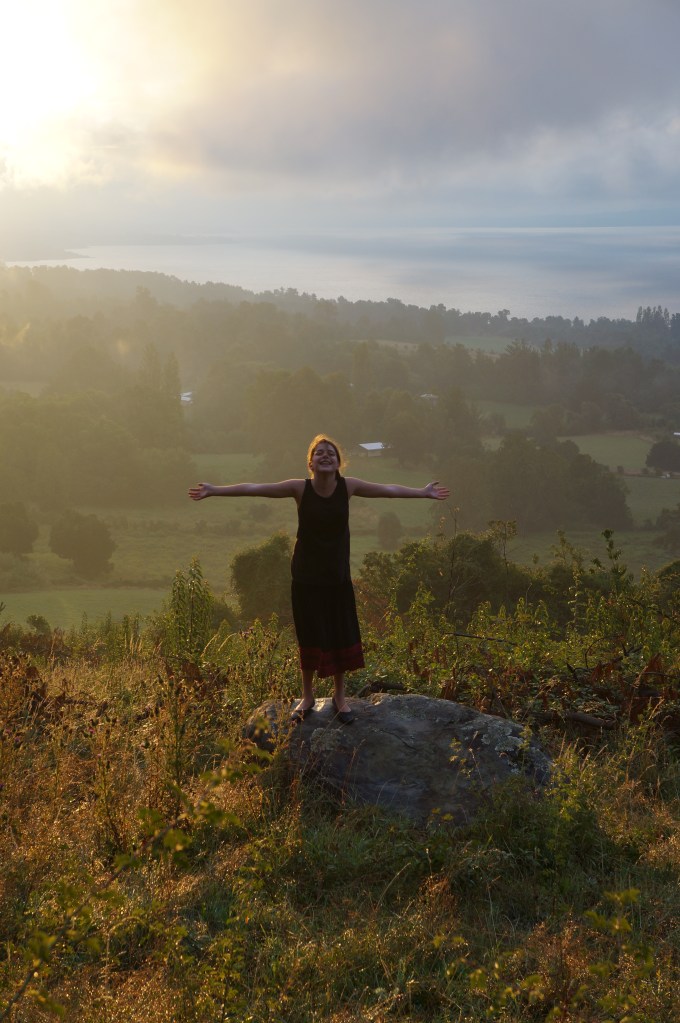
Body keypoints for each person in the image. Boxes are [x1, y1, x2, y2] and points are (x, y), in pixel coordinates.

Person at [189, 435, 449, 724]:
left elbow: (387, 490)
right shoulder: (299, 488)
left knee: (340, 632)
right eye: (319, 453)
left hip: (337, 575)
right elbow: (256, 488)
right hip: (305, 576)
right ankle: (308, 696)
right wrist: (214, 490)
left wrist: (423, 492)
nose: (326, 456)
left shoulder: (348, 486)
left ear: (338, 462)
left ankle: (339, 697)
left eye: (331, 453)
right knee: (309, 633)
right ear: (310, 462)